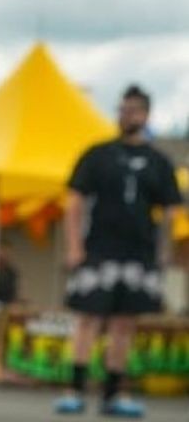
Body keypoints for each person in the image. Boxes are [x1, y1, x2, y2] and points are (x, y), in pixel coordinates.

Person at [54, 85, 183, 418]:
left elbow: (171, 213)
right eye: (123, 109)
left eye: (134, 110)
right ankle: (75, 389)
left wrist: (164, 252)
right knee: (88, 320)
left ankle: (113, 395)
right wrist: (74, 246)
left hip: (138, 255)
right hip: (98, 250)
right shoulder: (98, 155)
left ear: (145, 114)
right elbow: (74, 202)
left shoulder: (158, 162)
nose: (127, 115)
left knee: (124, 325)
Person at [0, 239, 19, 305]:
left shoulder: (11, 272)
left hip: (5, 307)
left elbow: (12, 294)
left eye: (7, 253)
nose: (4, 255)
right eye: (2, 251)